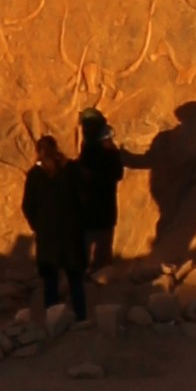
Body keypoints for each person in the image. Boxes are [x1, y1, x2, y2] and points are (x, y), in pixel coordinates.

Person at [19, 128, 89, 323]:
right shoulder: (71, 169)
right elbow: (84, 199)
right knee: (75, 278)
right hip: (71, 234)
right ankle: (80, 318)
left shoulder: (35, 175)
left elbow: (27, 206)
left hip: (48, 235)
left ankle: (53, 321)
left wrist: (37, 225)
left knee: (50, 280)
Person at [141, 99, 196, 265]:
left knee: (179, 224)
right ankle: (161, 260)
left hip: (190, 194)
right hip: (167, 192)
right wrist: (121, 158)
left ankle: (167, 260)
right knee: (168, 222)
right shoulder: (165, 139)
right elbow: (150, 160)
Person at [70, 105, 129, 284]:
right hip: (95, 209)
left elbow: (113, 173)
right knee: (93, 250)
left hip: (97, 207)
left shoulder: (103, 149)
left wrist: (86, 173)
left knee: (98, 255)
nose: (85, 130)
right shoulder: (95, 147)